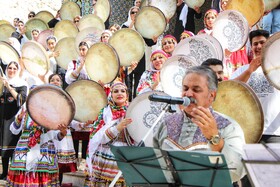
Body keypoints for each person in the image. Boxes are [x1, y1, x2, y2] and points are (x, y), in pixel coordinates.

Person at [153, 66, 246, 183]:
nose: (188, 94)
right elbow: (152, 165)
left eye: (196, 90)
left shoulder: (228, 126)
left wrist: (214, 137)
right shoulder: (166, 124)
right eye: (185, 88)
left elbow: (237, 172)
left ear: (211, 96)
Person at [7, 85, 68, 186]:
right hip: (24, 147)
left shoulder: (50, 111)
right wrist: (19, 119)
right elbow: (14, 130)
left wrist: (62, 133)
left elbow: (56, 135)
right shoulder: (25, 108)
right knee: (22, 171)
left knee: (42, 172)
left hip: (45, 148)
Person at [231, 30, 280, 144]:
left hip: (274, 131)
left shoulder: (277, 67)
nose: (259, 46)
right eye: (255, 44)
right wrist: (249, 71)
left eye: (262, 42)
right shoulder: (243, 70)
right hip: (248, 132)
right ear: (251, 47)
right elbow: (230, 89)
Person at [84, 82, 134, 186]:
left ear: (127, 95)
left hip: (125, 156)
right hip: (104, 157)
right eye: (115, 91)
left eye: (123, 91)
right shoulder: (105, 112)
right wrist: (117, 128)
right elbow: (98, 138)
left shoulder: (133, 111)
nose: (119, 93)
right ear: (111, 95)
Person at [0, 61, 28, 179]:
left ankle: (12, 173)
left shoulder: (22, 84)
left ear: (17, 70)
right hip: (1, 117)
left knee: (11, 144)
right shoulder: (2, 82)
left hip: (14, 118)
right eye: (9, 68)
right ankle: (4, 172)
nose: (11, 70)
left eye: (14, 68)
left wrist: (9, 88)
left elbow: (21, 100)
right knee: (2, 145)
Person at [49, 74, 77, 185]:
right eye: (52, 80)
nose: (55, 82)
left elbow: (71, 119)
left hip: (63, 133)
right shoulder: (43, 98)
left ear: (61, 83)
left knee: (61, 166)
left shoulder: (67, 100)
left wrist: (83, 124)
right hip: (48, 134)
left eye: (58, 80)